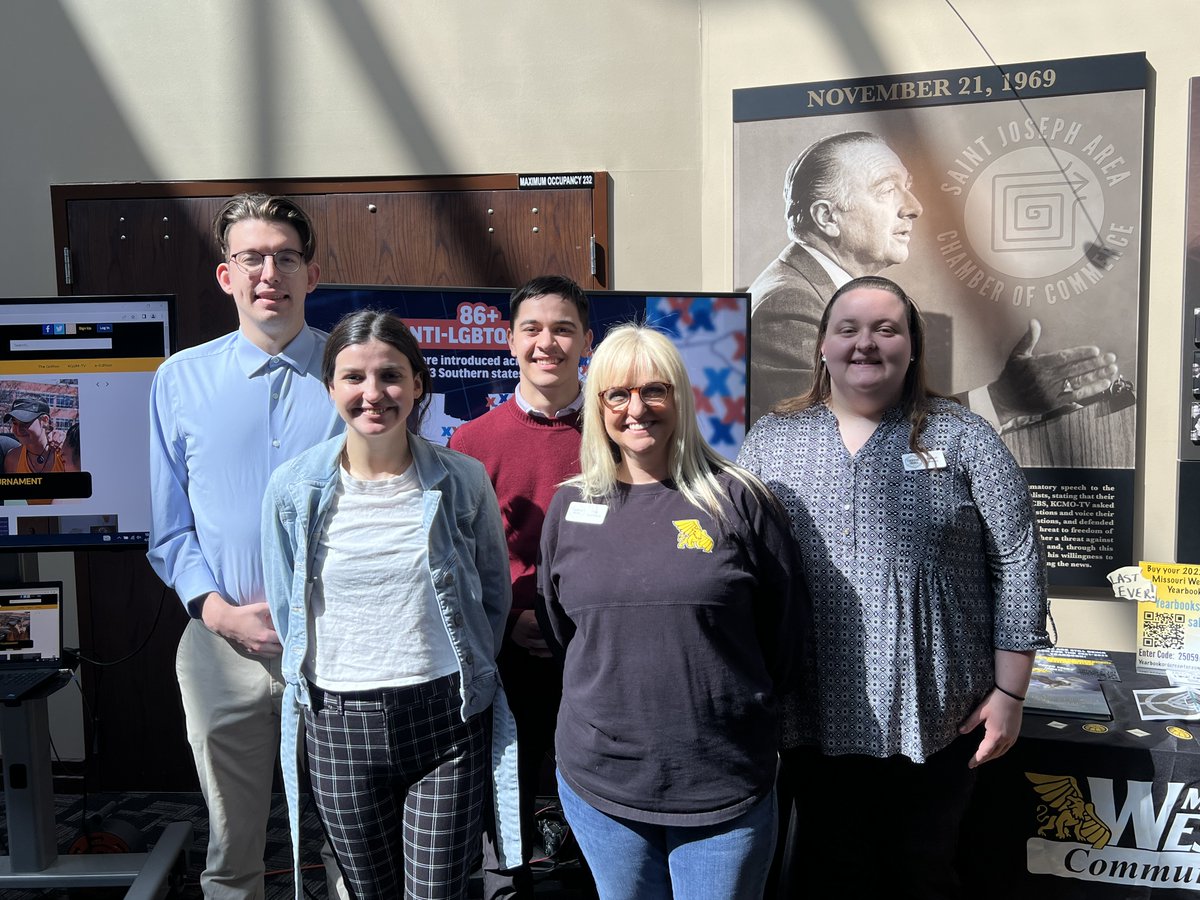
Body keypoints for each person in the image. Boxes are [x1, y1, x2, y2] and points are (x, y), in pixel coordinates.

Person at [737, 275, 1051, 898]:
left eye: (886, 329)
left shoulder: (962, 436)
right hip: (812, 712)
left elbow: (1018, 557)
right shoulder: (772, 440)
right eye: (848, 329)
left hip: (939, 712)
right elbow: (739, 561)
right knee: (828, 874)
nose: (866, 343)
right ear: (822, 345)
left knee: (921, 873)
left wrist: (1010, 693)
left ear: (912, 347)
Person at [538, 323, 806, 900]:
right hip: (602, 784)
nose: (636, 409)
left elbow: (785, 636)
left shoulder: (740, 500)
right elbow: (566, 632)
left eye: (654, 390)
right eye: (618, 394)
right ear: (598, 406)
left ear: (680, 396)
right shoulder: (569, 506)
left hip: (722, 780)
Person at [261, 309, 520, 900]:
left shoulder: (464, 480)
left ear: (418, 384)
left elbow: (492, 596)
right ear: (330, 387)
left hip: (445, 719)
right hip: (339, 724)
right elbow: (285, 604)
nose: (373, 393)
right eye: (354, 377)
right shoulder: (292, 489)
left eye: (391, 376)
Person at [147, 192, 347, 900]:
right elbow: (169, 529)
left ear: (310, 275)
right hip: (222, 648)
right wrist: (219, 613)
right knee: (232, 852)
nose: (269, 273)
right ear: (226, 275)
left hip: (341, 644)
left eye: (286, 258)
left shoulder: (352, 374)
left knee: (352, 841)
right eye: (252, 257)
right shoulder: (179, 381)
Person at [747, 130, 1121, 427]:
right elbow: (848, 444)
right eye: (887, 189)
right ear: (827, 217)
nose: (914, 207)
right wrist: (1000, 401)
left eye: (907, 187)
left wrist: (1008, 410)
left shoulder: (828, 296)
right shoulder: (787, 305)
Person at [448, 274, 593, 899]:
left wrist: (566, 619)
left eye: (563, 329)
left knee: (592, 811)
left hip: (595, 651)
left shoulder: (619, 432)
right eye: (531, 329)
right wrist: (513, 616)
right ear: (509, 341)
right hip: (504, 653)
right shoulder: (471, 442)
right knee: (505, 809)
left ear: (586, 340)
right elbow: (462, 555)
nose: (546, 343)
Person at [4, 398, 66, 475]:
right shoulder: (12, 458)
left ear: (44, 420)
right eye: (15, 423)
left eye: (25, 422)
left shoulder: (64, 453)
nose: (18, 430)